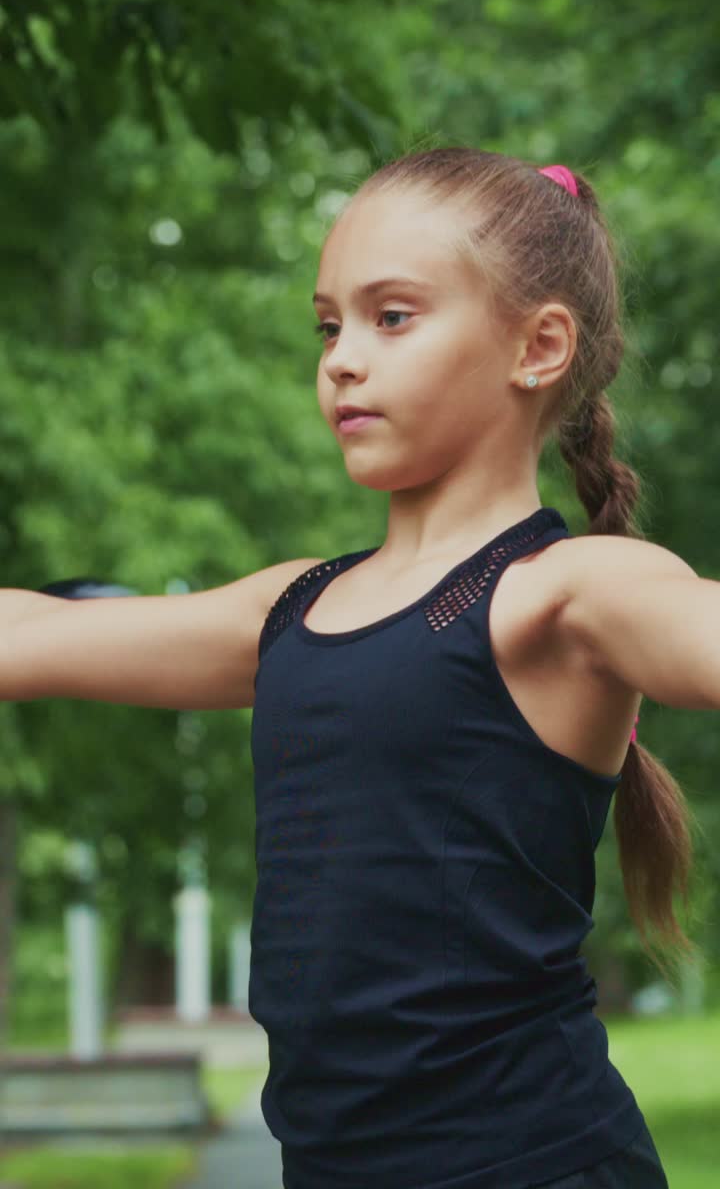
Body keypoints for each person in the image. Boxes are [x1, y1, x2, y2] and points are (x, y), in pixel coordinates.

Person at [1, 147, 710, 1187]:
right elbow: (29, 632)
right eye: (329, 326)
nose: (342, 359)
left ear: (539, 346)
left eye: (393, 316)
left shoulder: (566, 592)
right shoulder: (291, 607)